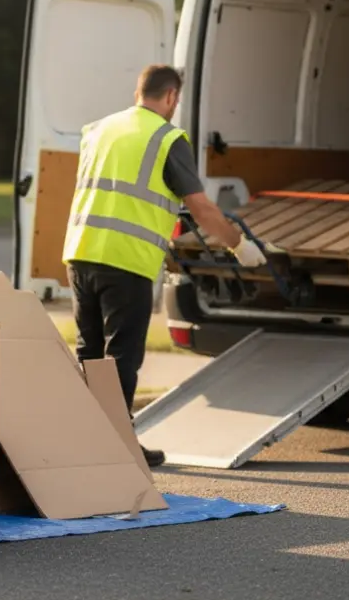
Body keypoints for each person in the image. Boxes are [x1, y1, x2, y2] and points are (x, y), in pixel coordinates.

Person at [62, 64, 267, 468]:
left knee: (89, 352)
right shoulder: (167, 137)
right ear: (171, 96)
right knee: (121, 356)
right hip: (126, 260)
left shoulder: (99, 129)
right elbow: (202, 208)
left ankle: (86, 442)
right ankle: (119, 447)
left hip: (81, 251)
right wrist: (239, 246)